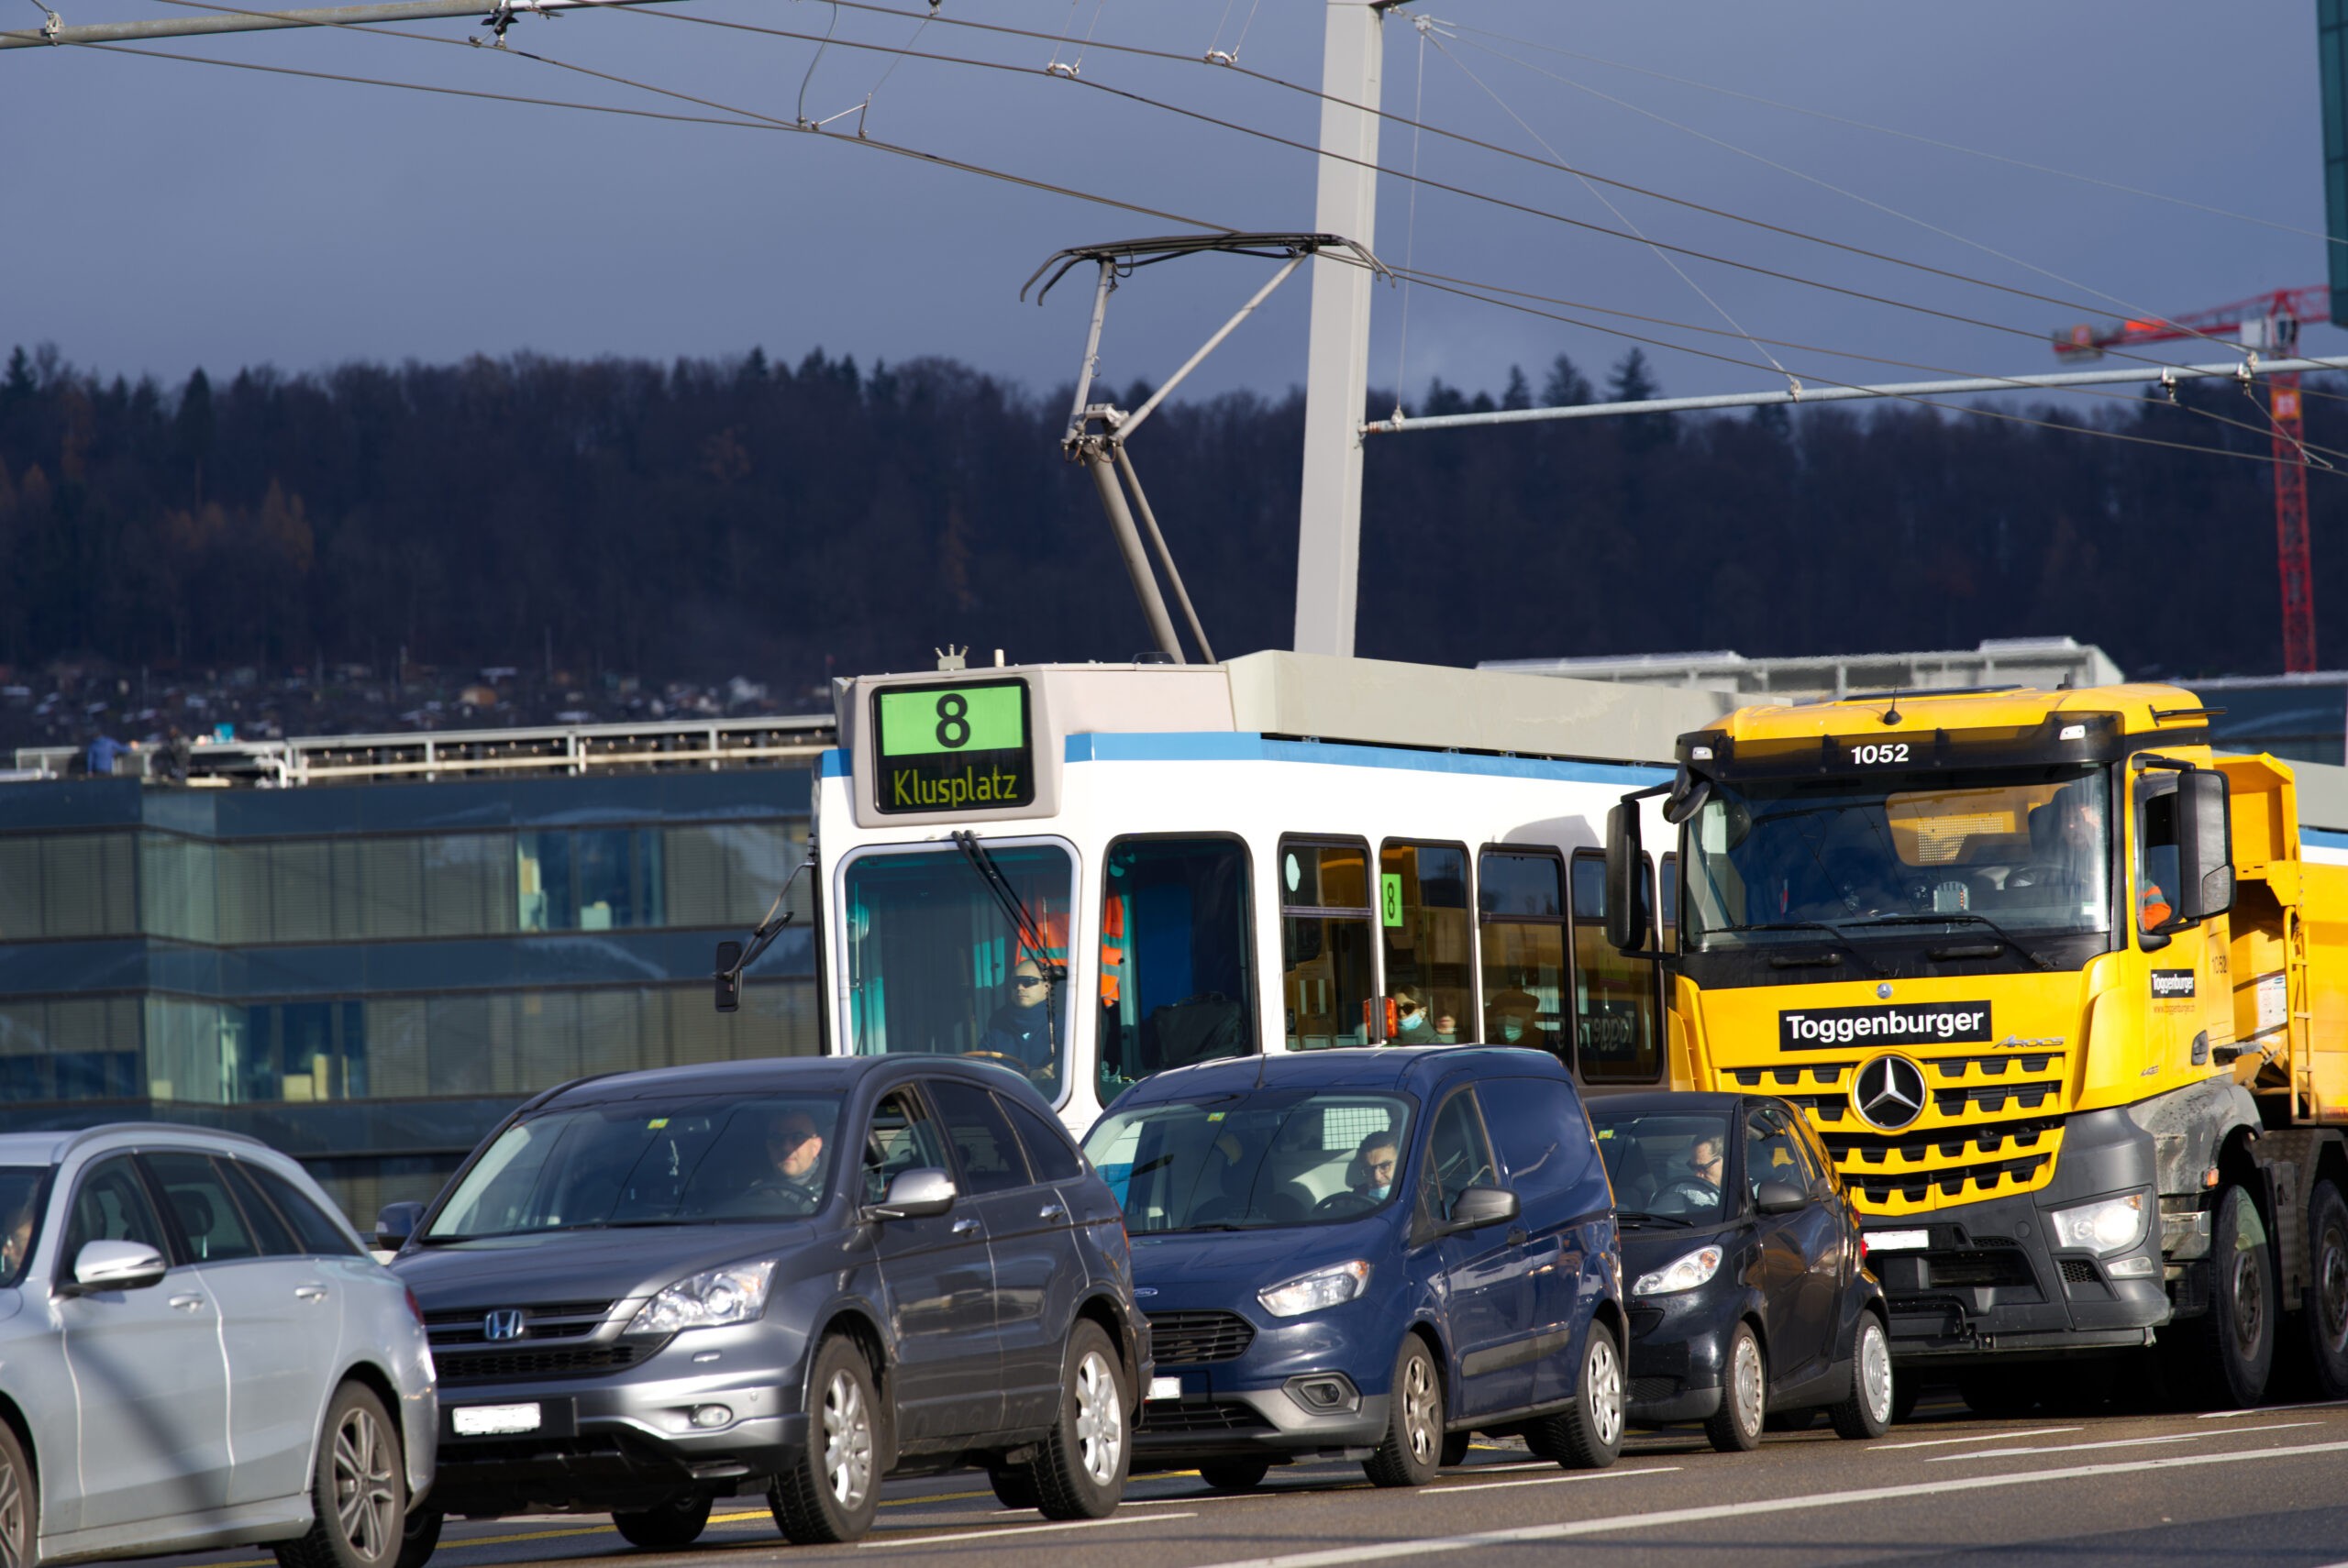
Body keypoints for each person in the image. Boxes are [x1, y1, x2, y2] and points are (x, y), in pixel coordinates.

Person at [978, 957, 1058, 1079]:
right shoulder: (994, 1034)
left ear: (1046, 986)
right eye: (1015, 983)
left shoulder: (1065, 1030)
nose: (1020, 988)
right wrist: (1030, 1075)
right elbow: (981, 1074)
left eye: (1028, 982)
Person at [747, 1108, 828, 1211]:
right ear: (768, 1146)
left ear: (816, 1146)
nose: (786, 1147)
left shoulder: (837, 1191)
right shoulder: (750, 1194)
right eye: (777, 1139)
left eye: (797, 1138)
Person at [1655, 1135, 1725, 1215]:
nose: (1697, 1175)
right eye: (1693, 1167)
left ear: (1726, 1161)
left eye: (1703, 1168)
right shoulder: (1683, 1192)